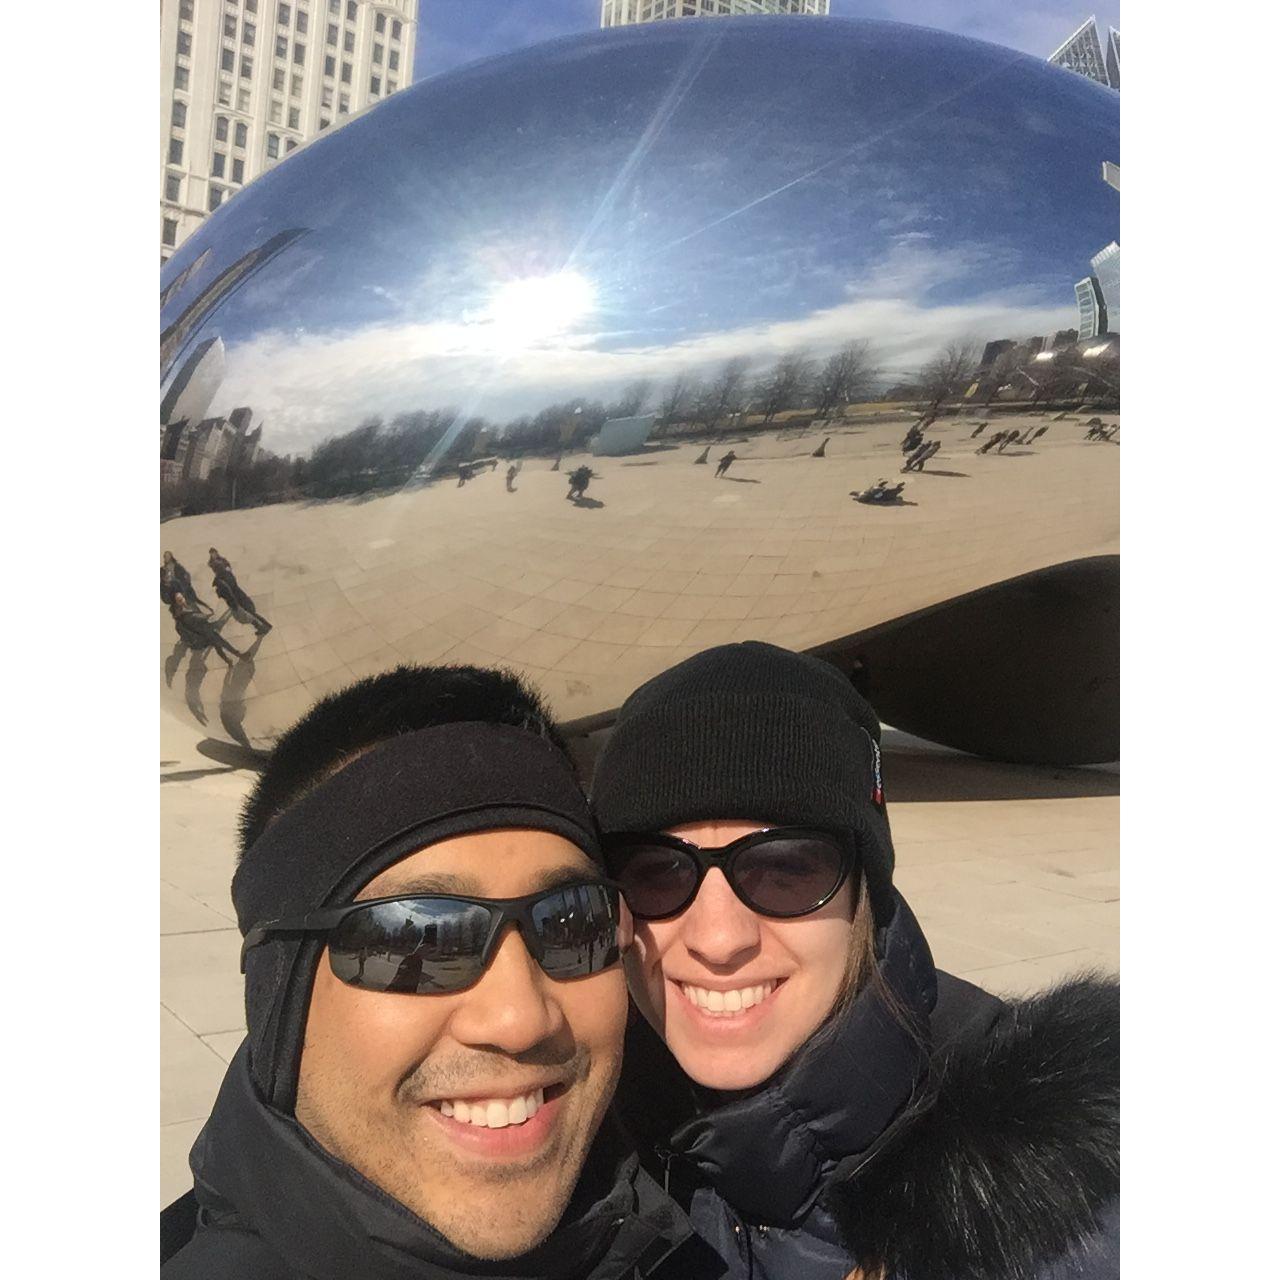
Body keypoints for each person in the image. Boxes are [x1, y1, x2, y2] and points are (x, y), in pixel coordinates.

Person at [592, 642, 1119, 1280]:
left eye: (784, 870)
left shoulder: (1065, 1214)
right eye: (656, 874)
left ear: (863, 893)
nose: (719, 939)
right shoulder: (593, 1154)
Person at [162, 665, 699, 1279]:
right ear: (278, 988)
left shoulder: (678, 1211)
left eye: (572, 922)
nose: (520, 1018)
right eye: (419, 940)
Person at [169, 592, 243, 665]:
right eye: (180, 600)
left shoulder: (185, 608)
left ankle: (228, 661)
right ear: (176, 604)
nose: (183, 600)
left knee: (218, 645)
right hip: (205, 634)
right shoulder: (186, 616)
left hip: (205, 632)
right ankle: (240, 655)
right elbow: (201, 618)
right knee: (222, 643)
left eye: (182, 598)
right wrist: (211, 617)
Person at [210, 556, 272, 635]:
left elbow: (226, 593)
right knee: (250, 612)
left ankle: (264, 627)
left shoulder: (220, 581)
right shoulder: (228, 573)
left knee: (247, 615)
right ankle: (264, 626)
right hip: (240, 593)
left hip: (236, 599)